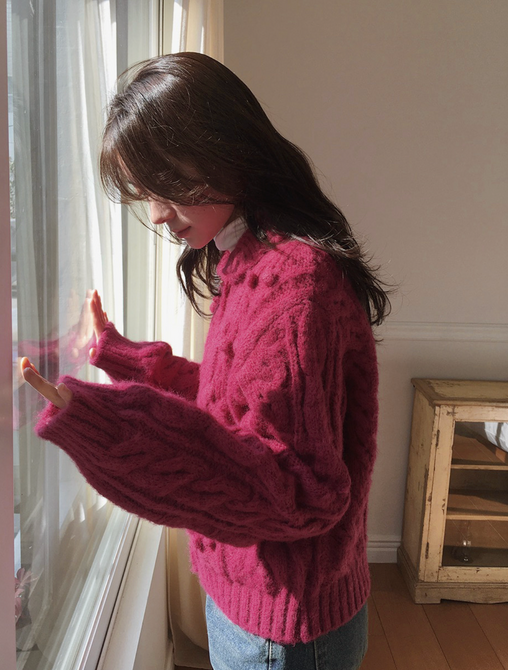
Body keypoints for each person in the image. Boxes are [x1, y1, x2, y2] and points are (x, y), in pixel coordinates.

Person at [23, 52, 391, 670]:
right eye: (146, 195)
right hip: (263, 605)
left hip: (281, 630)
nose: (157, 215)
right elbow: (242, 407)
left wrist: (116, 431)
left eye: (165, 186)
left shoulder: (294, 286)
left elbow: (302, 489)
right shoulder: (255, 256)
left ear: (222, 150)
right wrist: (124, 358)